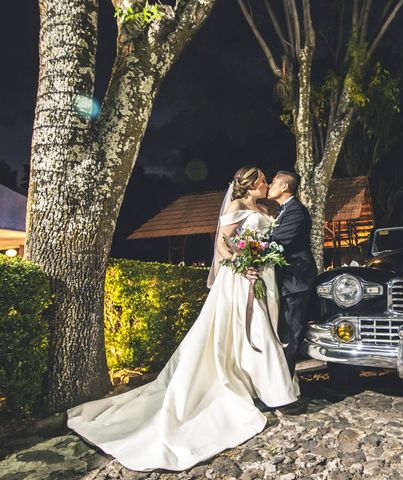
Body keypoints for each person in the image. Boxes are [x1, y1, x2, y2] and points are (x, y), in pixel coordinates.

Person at [67, 167, 299, 472]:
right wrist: (241, 265)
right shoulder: (236, 207)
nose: (267, 184)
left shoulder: (265, 207)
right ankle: (269, 389)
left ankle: (261, 386)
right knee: (246, 331)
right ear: (250, 184)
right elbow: (222, 244)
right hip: (240, 278)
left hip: (264, 275)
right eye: (263, 180)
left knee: (262, 327)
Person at [267, 171, 318, 376]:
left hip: (296, 281)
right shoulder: (283, 211)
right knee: (282, 333)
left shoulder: (296, 211)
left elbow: (277, 242)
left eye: (273, 182)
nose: (270, 185)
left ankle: (284, 387)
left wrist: (249, 250)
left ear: (284, 187)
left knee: (289, 335)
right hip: (286, 280)